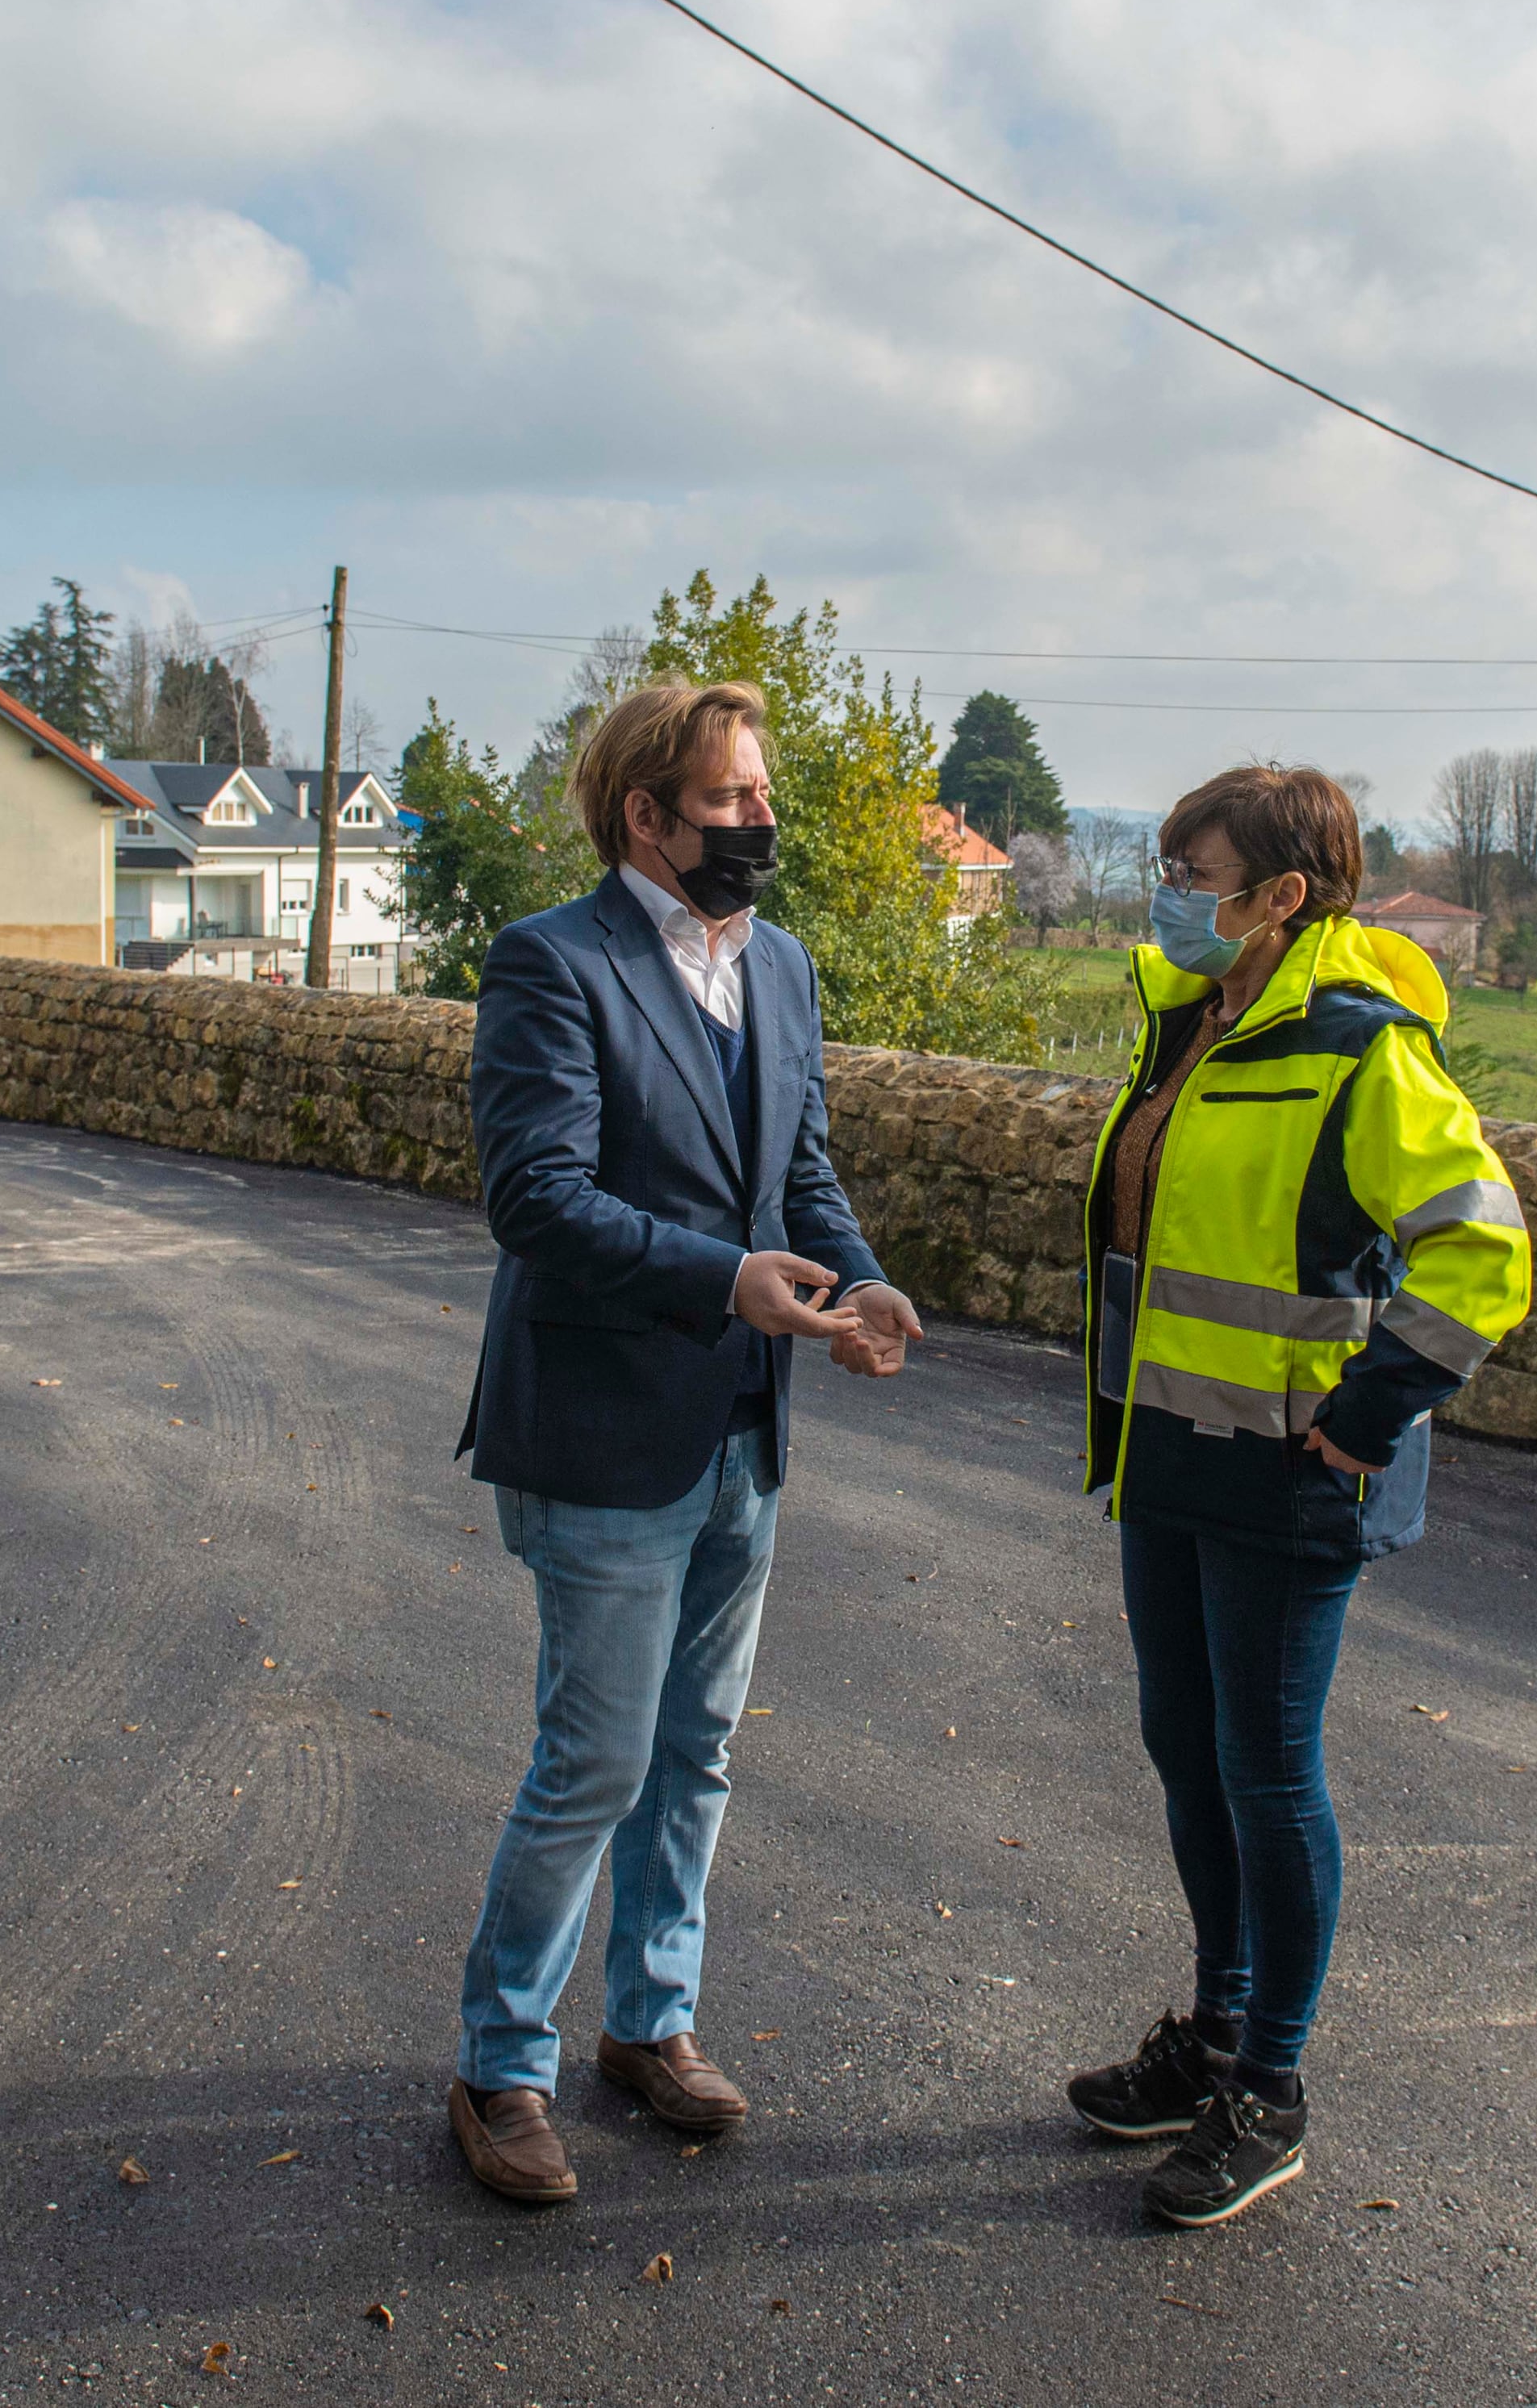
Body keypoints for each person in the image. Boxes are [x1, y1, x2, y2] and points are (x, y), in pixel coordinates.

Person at [444, 678, 924, 2205]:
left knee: (697, 1752)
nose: (759, 819)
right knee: (594, 1758)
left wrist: (851, 1285)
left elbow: (802, 1169)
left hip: (741, 1427)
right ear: (644, 814)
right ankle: (501, 2061)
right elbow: (539, 1197)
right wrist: (725, 1278)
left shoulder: (778, 966)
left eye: (761, 793)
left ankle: (650, 2027)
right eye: (728, 799)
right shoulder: (550, 961)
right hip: (599, 1427)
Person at [1061, 764, 1531, 2226]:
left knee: (1266, 1773)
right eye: (1168, 864)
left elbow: (1481, 1250)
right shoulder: (1192, 1023)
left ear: (1281, 895)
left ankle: (1270, 2086)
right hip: (1168, 1455)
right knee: (1185, 1750)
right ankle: (1214, 2036)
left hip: (1285, 1474)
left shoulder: (1358, 1045)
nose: (1170, 892)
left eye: (1192, 871)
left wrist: (1369, 1412)